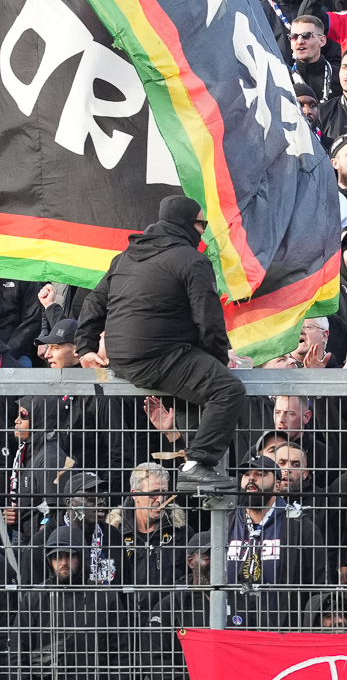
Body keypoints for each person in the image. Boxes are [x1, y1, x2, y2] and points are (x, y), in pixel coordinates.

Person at [80, 196, 242, 491]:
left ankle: (195, 461)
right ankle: (197, 466)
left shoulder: (125, 257)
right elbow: (209, 320)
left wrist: (85, 347)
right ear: (186, 223)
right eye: (201, 224)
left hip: (121, 359)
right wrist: (219, 362)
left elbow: (95, 301)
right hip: (160, 356)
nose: (203, 231)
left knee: (198, 396)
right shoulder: (192, 260)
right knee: (227, 389)